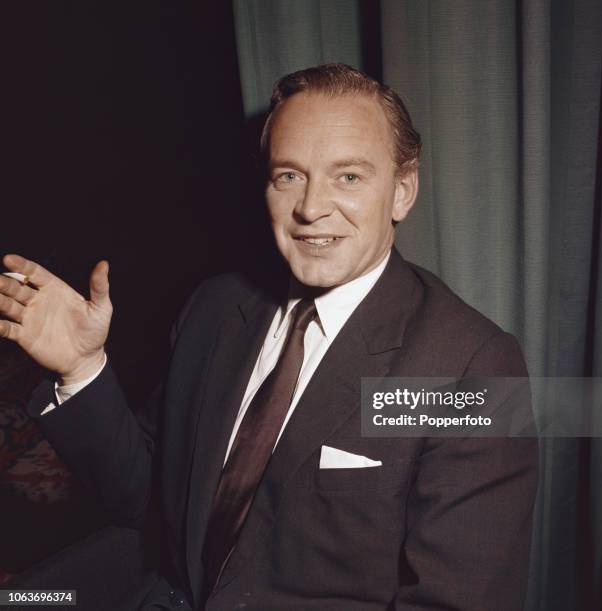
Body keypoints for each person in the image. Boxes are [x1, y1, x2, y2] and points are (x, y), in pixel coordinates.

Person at [0, 64, 538, 610]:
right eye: (289, 175)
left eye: (348, 177)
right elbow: (148, 503)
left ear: (402, 192)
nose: (310, 207)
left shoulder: (474, 367)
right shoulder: (214, 307)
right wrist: (81, 369)